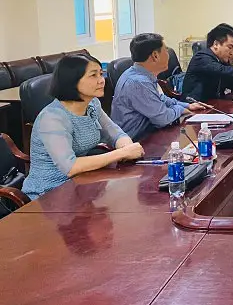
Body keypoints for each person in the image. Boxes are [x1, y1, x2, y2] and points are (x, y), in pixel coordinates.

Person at [21, 54, 145, 200]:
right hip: (48, 194)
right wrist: (121, 153)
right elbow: (70, 167)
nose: (102, 80)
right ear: (72, 81)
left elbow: (114, 133)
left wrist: (128, 147)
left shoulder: (92, 104)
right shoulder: (52, 117)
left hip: (80, 183)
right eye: (93, 75)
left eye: (101, 74)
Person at [112, 33, 205, 140]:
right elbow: (163, 118)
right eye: (166, 51)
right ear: (155, 56)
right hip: (138, 141)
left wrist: (187, 106)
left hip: (149, 135)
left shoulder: (139, 74)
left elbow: (159, 98)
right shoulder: (139, 82)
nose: (168, 55)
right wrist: (180, 109)